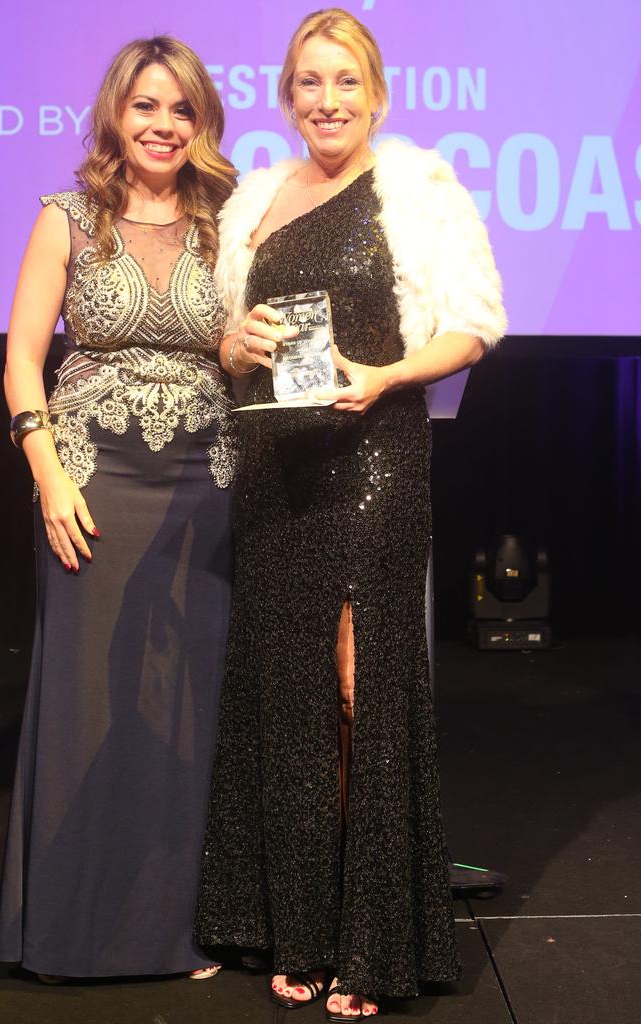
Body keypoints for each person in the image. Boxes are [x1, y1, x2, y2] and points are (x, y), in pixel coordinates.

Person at [194, 8, 506, 1020]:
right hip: (279, 466)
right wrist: (233, 340)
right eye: (309, 83)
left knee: (354, 678)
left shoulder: (417, 188)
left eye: (345, 82)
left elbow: (472, 326)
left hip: (376, 458)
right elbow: (227, 334)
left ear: (375, 92)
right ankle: (301, 927)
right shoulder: (254, 200)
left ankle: (372, 941)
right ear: (286, 97)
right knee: (287, 693)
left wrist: (387, 375)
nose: (327, 101)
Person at [0, 36, 236, 981]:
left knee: (183, 705)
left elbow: (232, 350)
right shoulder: (67, 216)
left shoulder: (228, 222)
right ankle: (72, 931)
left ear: (202, 121)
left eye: (181, 109)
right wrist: (49, 477)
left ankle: (173, 928)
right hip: (91, 485)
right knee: (94, 701)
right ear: (115, 114)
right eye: (145, 107)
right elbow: (21, 358)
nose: (163, 125)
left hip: (203, 490)